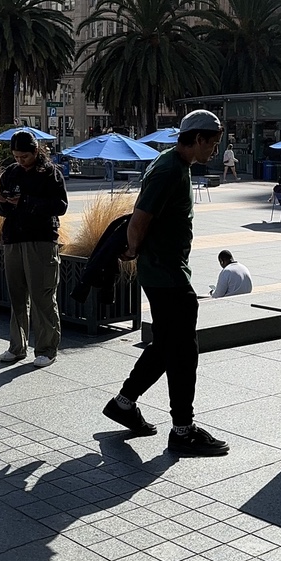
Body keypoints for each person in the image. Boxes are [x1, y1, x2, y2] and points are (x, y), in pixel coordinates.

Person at [108, 108, 232, 457]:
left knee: (166, 345)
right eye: (212, 143)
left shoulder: (175, 165)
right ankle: (182, 430)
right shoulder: (168, 171)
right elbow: (140, 217)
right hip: (167, 275)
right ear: (196, 139)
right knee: (183, 352)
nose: (215, 150)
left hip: (165, 271)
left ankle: (124, 403)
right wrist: (132, 249)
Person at [0, 131, 68, 366]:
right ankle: (17, 347)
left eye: (24, 156)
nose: (20, 161)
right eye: (16, 156)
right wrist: (2, 203)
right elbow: (0, 209)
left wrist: (24, 202)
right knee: (17, 296)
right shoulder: (10, 173)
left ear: (36, 151)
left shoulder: (50, 173)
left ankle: (47, 349)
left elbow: (60, 205)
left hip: (41, 239)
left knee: (42, 295)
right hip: (13, 238)